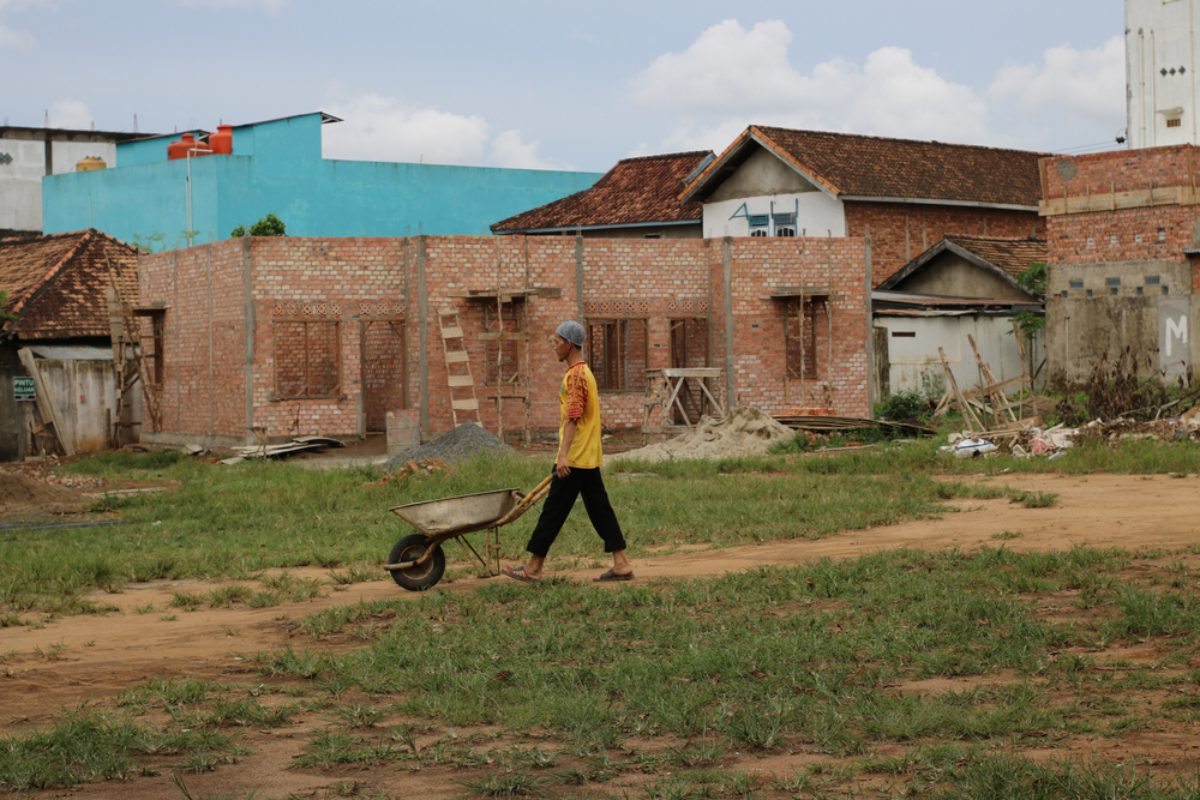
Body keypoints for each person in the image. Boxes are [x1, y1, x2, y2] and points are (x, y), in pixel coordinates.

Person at [505, 320, 634, 584]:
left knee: (553, 511)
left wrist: (562, 456)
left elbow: (573, 416)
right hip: (586, 457)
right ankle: (621, 563)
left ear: (569, 344)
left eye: (556, 342)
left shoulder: (575, 375)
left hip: (574, 458)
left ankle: (533, 568)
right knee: (600, 509)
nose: (553, 346)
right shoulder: (584, 373)